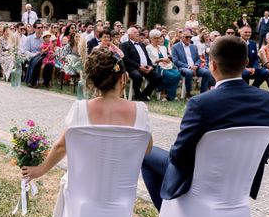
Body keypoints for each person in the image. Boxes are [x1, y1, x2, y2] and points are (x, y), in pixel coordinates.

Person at [141, 35, 269, 217]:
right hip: (239, 183)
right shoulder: (267, 100)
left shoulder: (201, 103)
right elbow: (265, 153)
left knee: (147, 154)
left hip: (200, 183)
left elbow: (178, 156)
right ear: (246, 63)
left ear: (212, 65)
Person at [21, 48, 153, 194]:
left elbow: (61, 147)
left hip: (82, 193)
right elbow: (146, 148)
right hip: (121, 196)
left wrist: (40, 170)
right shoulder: (141, 111)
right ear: (123, 78)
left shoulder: (80, 110)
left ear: (93, 82)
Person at [171, 29, 214, 98]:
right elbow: (176, 61)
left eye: (190, 37)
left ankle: (203, 93)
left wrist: (196, 66)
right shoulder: (175, 47)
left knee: (207, 72)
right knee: (189, 72)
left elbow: (198, 59)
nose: (189, 38)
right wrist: (189, 67)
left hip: (195, 67)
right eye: (186, 37)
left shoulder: (193, 47)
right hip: (183, 68)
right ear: (182, 37)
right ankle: (188, 93)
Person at [121, 27, 161, 101]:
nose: (137, 33)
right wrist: (139, 67)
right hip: (133, 68)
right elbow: (126, 59)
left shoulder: (142, 45)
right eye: (135, 32)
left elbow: (147, 58)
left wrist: (151, 66)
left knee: (158, 77)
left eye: (137, 32)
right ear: (129, 35)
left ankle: (144, 94)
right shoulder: (125, 45)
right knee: (137, 76)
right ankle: (137, 94)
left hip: (145, 67)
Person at [146, 29, 181, 101]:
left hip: (167, 66)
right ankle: (167, 94)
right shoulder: (148, 47)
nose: (159, 39)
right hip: (157, 67)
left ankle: (165, 92)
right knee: (170, 76)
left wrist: (167, 61)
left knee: (177, 74)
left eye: (159, 37)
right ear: (152, 38)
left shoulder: (163, 48)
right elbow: (152, 61)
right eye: (157, 38)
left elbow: (166, 58)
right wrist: (162, 60)